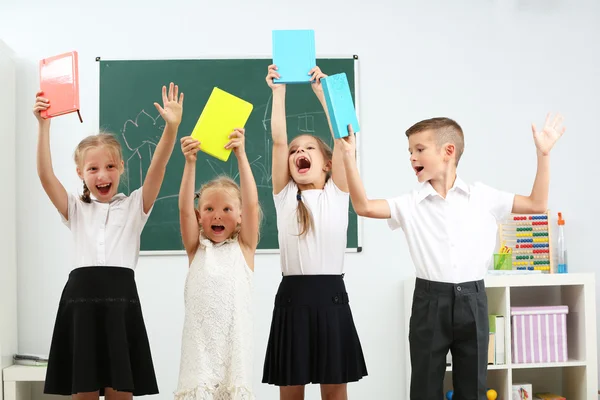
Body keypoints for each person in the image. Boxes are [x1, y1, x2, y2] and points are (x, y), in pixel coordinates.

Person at [337, 114, 565, 399]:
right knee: (425, 386)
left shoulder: (483, 196)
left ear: (448, 151)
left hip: (473, 300)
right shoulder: (409, 203)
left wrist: (543, 154)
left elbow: (537, 203)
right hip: (429, 302)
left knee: (473, 388)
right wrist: (348, 156)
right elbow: (364, 207)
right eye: (410, 151)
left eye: (419, 149)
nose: (412, 157)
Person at [34, 82, 184, 399]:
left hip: (120, 304)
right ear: (80, 173)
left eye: (110, 166)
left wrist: (171, 128)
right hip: (80, 305)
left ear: (121, 168)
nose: (103, 175)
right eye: (93, 168)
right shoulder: (74, 209)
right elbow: (46, 176)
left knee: (120, 389)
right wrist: (44, 126)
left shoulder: (135, 206)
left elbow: (159, 165)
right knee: (84, 389)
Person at [262, 64, 368, 400]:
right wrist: (278, 92)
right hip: (292, 300)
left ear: (327, 163)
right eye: (295, 151)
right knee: (290, 390)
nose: (298, 153)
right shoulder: (284, 196)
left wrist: (324, 95)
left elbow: (343, 137)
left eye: (307, 148)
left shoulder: (337, 192)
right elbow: (278, 141)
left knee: (334, 389)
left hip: (331, 298)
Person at [174, 128, 260, 399]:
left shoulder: (244, 247)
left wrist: (241, 155)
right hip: (199, 349)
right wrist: (190, 164)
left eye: (226, 209)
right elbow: (185, 208)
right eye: (209, 209)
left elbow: (252, 202)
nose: (217, 215)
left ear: (240, 216)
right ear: (200, 216)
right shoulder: (196, 248)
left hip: (234, 347)